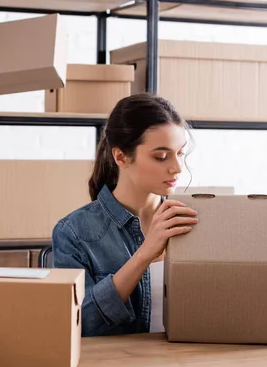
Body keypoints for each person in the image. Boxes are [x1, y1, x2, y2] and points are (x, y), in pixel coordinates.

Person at [51, 93, 198, 337]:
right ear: (120, 156)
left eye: (180, 153)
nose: (177, 167)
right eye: (161, 156)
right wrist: (144, 255)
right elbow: (77, 326)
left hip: (188, 365)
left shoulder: (192, 219)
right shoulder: (74, 232)